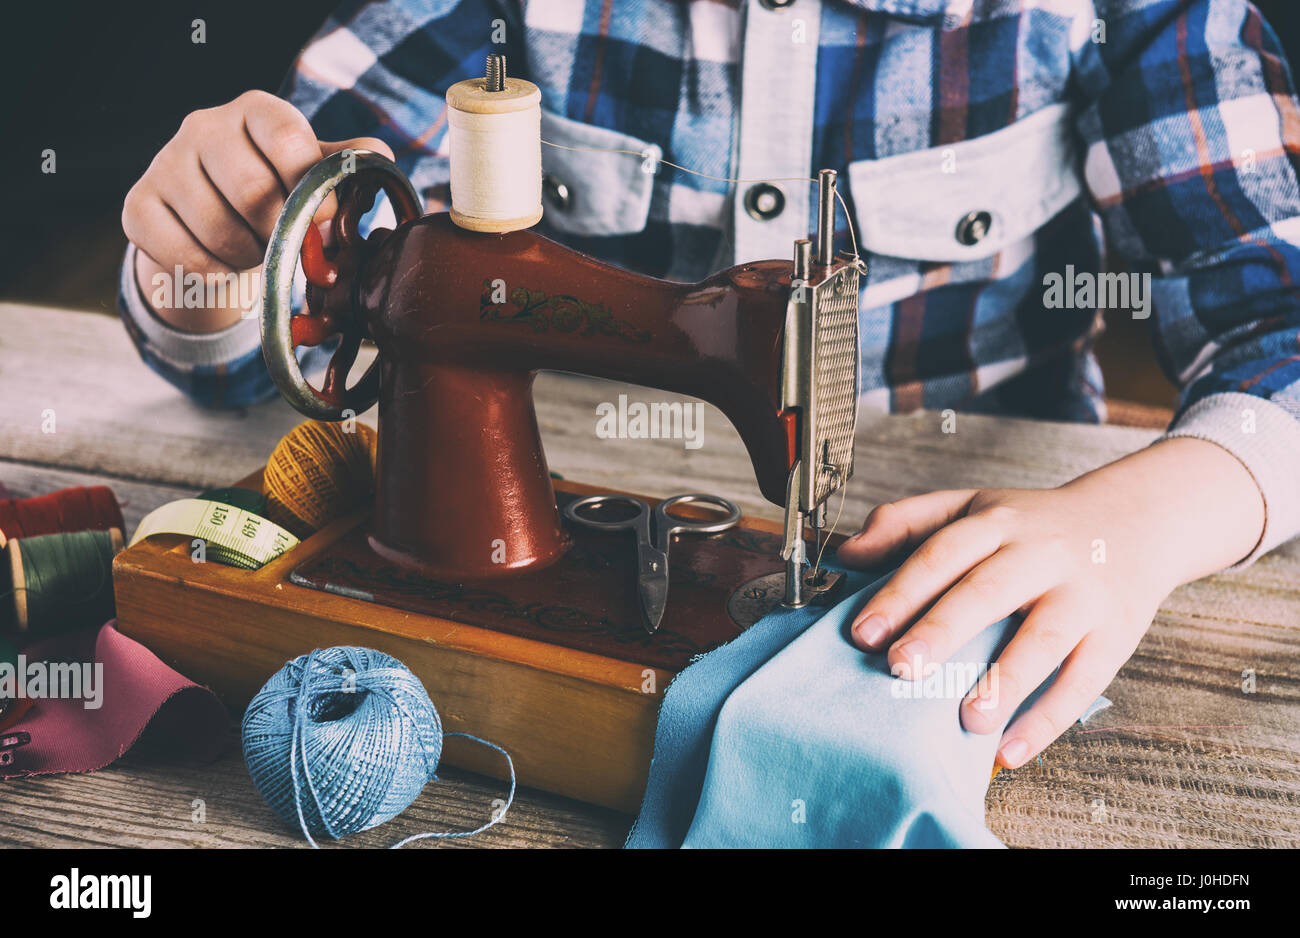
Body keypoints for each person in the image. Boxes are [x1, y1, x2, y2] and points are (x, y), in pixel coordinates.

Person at [118, 0, 1300, 771]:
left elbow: (1280, 311)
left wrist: (1143, 520)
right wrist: (206, 256)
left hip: (1011, 536)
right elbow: (273, 311)